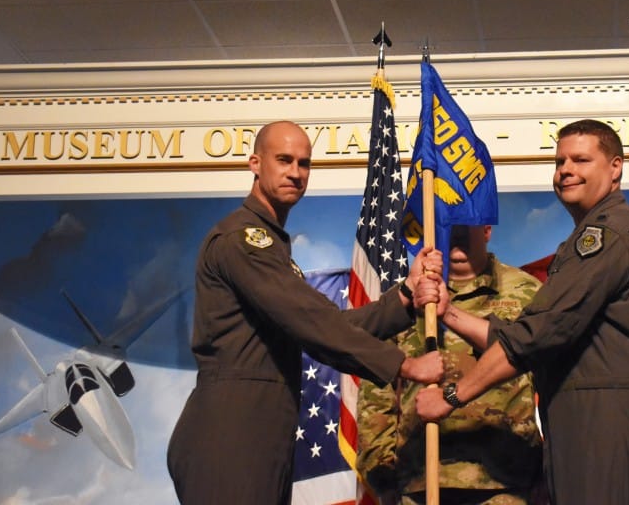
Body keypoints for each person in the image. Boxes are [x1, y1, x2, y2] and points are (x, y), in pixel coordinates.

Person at [167, 120, 445, 505]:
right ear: (255, 163)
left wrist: (404, 297)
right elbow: (313, 323)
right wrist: (405, 365)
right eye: (283, 160)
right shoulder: (244, 240)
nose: (295, 173)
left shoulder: (272, 249)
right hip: (231, 428)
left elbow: (328, 323)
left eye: (304, 163)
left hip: (258, 429)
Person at [416, 120, 629, 504]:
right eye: (560, 162)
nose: (566, 171)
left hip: (613, 432)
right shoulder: (593, 236)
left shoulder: (608, 237)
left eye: (580, 159)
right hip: (590, 429)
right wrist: (450, 314)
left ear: (615, 168)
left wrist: (453, 396)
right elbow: (539, 338)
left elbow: (537, 335)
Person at [356, 225, 544, 505]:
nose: (457, 232)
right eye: (447, 223)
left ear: (487, 230)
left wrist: (547, 473)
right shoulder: (406, 301)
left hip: (508, 484)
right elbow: (376, 391)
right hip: (421, 481)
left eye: (465, 222)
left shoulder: (527, 292)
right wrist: (383, 478)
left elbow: (554, 378)